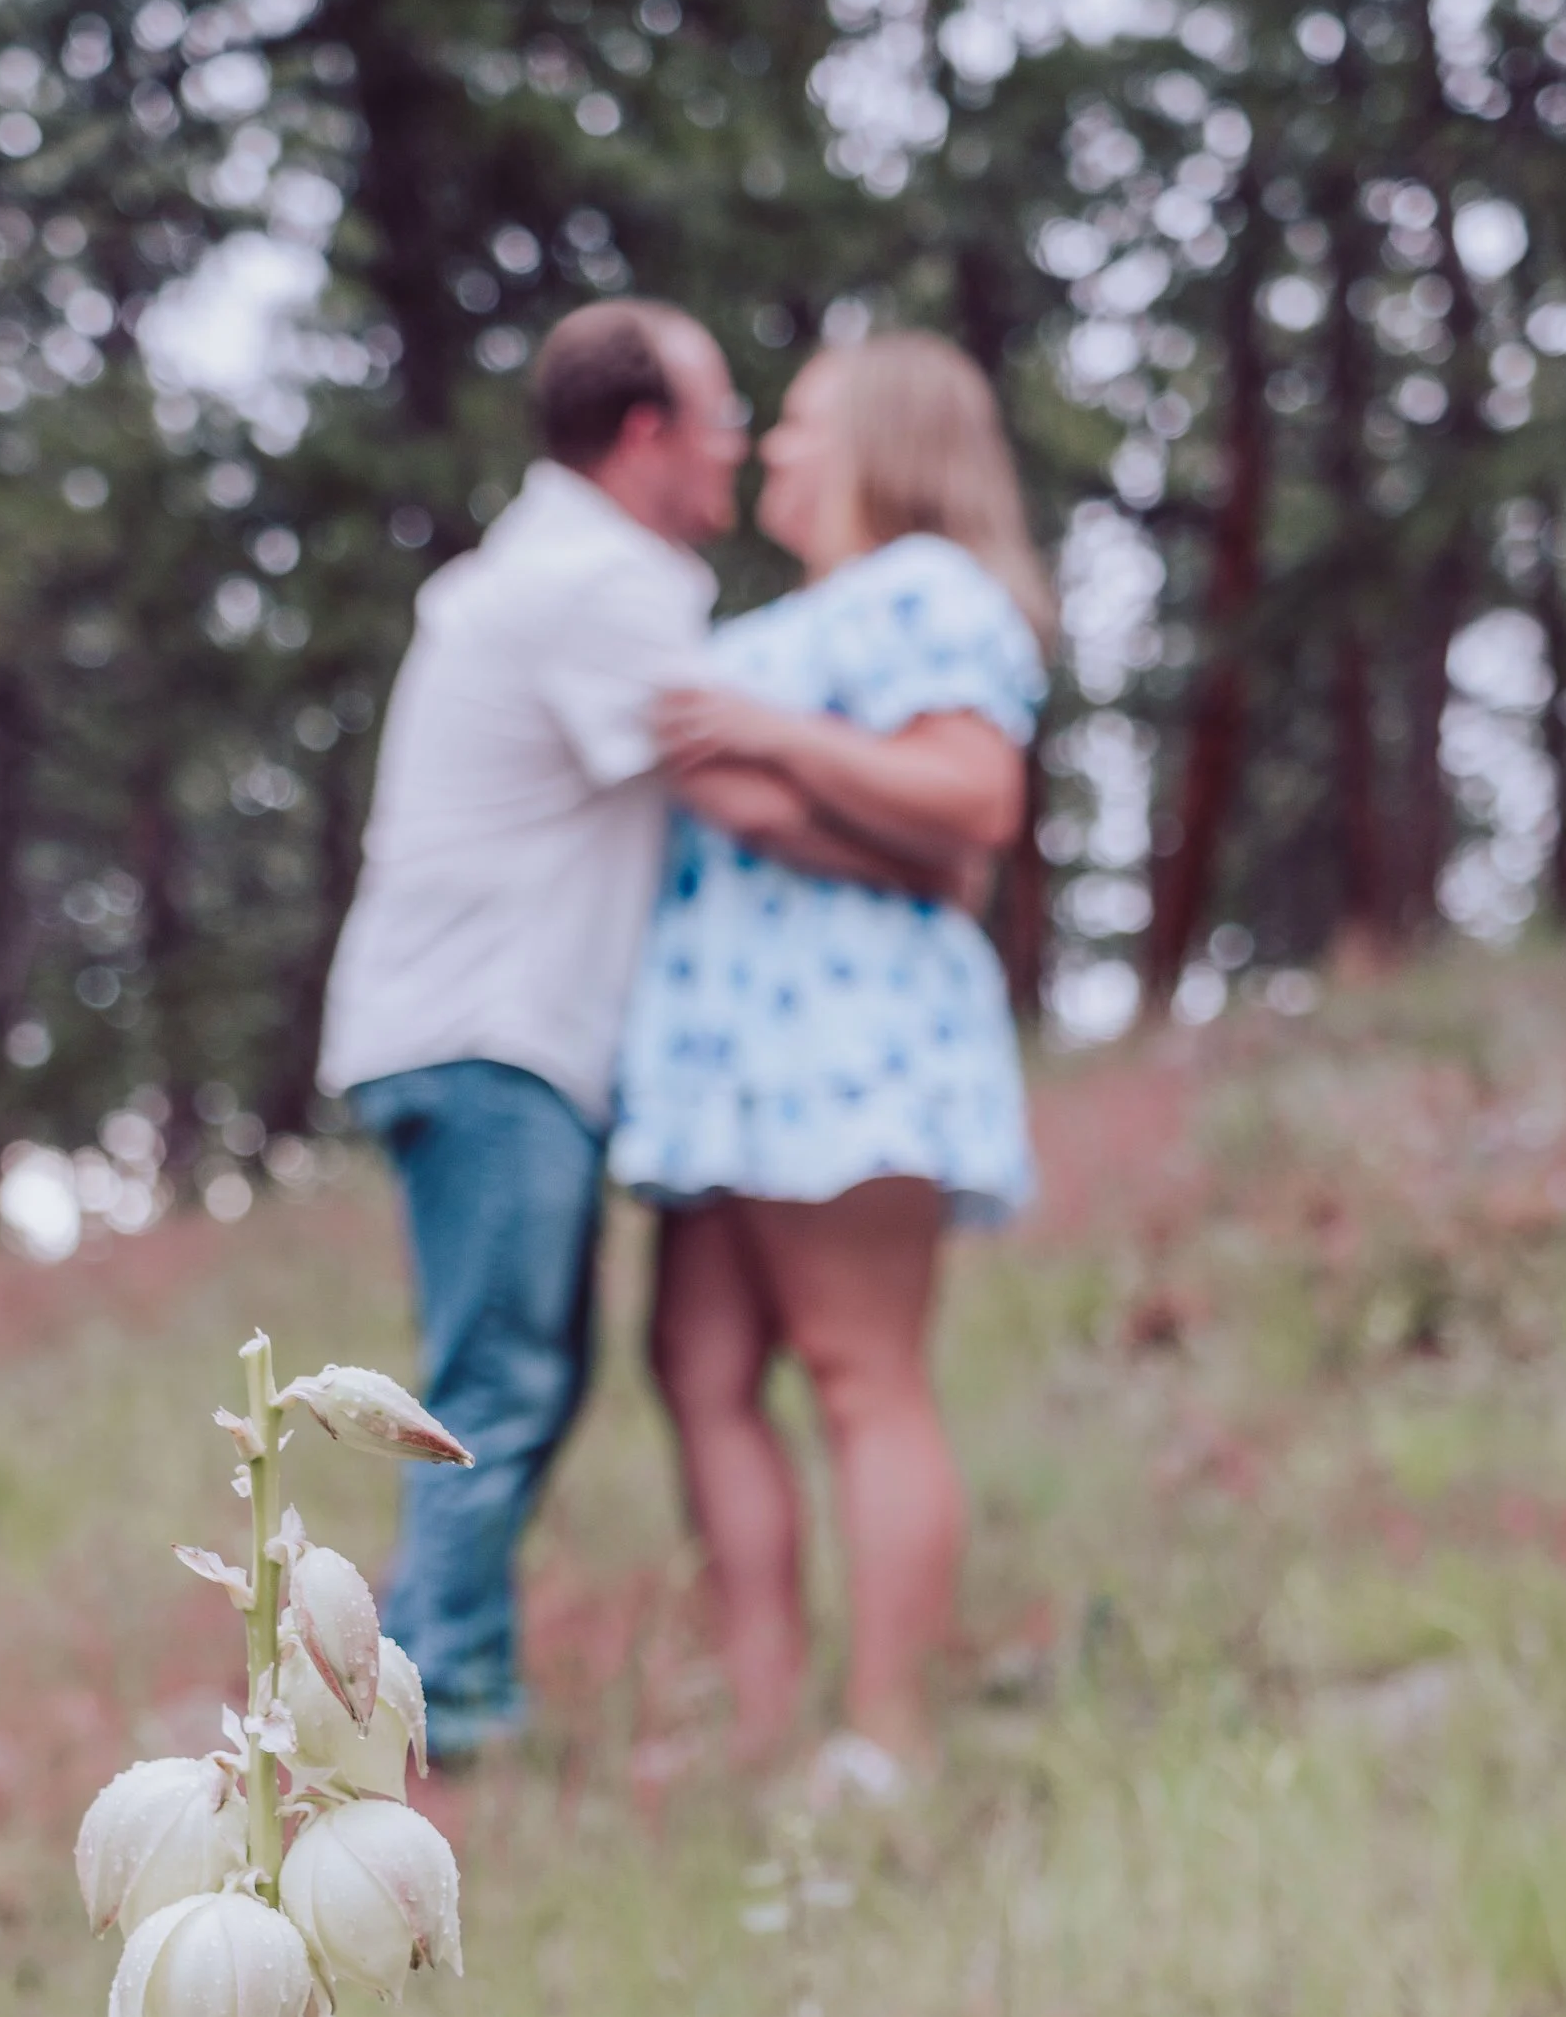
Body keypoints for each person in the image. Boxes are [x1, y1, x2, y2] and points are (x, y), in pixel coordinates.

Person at [610, 330, 1055, 1789]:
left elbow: (972, 799)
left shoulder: (932, 588)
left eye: (801, 423)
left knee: (865, 1377)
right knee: (701, 1369)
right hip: (730, 1050)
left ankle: (885, 1734)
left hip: (851, 1035)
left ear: (885, 441)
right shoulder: (793, 618)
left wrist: (774, 744)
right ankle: (758, 1725)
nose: (773, 450)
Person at [315, 302, 741, 1761]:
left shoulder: (550, 567)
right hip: (489, 1034)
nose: (738, 447)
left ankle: (401, 1682)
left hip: (478, 1032)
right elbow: (729, 775)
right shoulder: (600, 580)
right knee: (499, 1382)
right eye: (722, 417)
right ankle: (435, 1712)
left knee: (518, 1379)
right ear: (647, 431)